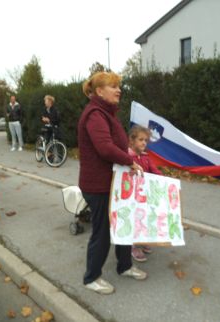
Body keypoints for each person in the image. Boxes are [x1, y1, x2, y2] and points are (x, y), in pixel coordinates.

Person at [78, 71, 147, 295]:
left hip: (114, 183)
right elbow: (105, 148)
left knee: (122, 224)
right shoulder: (95, 114)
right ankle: (92, 277)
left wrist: (127, 158)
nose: (119, 90)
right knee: (103, 232)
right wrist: (130, 160)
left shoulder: (107, 113)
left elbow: (114, 145)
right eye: (113, 86)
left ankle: (124, 266)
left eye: (119, 86)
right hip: (98, 185)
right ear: (99, 91)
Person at [128, 125, 162, 262]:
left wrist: (167, 181)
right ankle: (132, 245)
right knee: (133, 220)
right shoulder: (126, 157)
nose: (144, 143)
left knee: (144, 218)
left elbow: (155, 171)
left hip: (144, 196)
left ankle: (142, 239)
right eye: (141, 139)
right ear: (132, 140)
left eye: (146, 140)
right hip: (131, 197)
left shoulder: (146, 157)